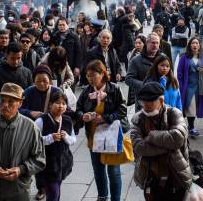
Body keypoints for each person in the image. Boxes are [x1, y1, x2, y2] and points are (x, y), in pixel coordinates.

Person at [0, 82, 46, 201]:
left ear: (20, 103)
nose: (5, 105)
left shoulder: (31, 128)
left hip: (19, 190)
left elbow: (40, 159)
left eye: (11, 101)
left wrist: (21, 169)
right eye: (2, 101)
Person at [76, 60, 129, 201]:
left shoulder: (114, 89)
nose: (90, 78)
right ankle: (102, 196)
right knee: (98, 169)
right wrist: (83, 116)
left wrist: (106, 118)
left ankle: (115, 199)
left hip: (111, 135)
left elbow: (122, 110)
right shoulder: (87, 91)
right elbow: (79, 109)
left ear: (102, 74)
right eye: (87, 76)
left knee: (113, 171)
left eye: (93, 75)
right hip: (93, 135)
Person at [131, 81, 191, 200]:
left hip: (175, 174)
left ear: (161, 101)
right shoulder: (138, 118)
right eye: (143, 101)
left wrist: (153, 136)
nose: (145, 105)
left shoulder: (174, 113)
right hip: (150, 176)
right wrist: (168, 146)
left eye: (150, 102)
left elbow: (178, 138)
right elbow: (139, 147)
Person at [35, 90, 76, 201]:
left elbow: (73, 139)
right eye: (57, 103)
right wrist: (50, 138)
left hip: (63, 163)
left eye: (63, 103)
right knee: (53, 193)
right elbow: (33, 141)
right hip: (47, 164)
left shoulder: (67, 120)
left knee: (57, 191)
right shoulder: (41, 121)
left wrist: (66, 137)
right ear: (50, 104)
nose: (60, 106)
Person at [177, 36, 203, 137]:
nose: (195, 45)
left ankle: (190, 126)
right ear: (189, 45)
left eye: (197, 43)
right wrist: (182, 85)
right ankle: (191, 127)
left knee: (196, 107)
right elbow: (179, 72)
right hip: (188, 87)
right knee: (190, 107)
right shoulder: (184, 57)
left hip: (199, 87)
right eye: (193, 43)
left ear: (199, 45)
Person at [126, 33, 163, 110]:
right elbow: (128, 79)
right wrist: (145, 85)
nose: (155, 45)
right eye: (153, 42)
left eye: (157, 43)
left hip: (160, 97)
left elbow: (170, 75)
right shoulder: (136, 60)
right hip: (142, 99)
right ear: (147, 43)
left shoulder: (163, 58)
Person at [52, 17, 82, 82]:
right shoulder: (55, 36)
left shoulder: (74, 36)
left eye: (63, 25)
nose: (62, 27)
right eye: (60, 25)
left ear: (67, 25)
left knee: (70, 85)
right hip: (58, 65)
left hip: (71, 65)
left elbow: (79, 52)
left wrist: (77, 67)